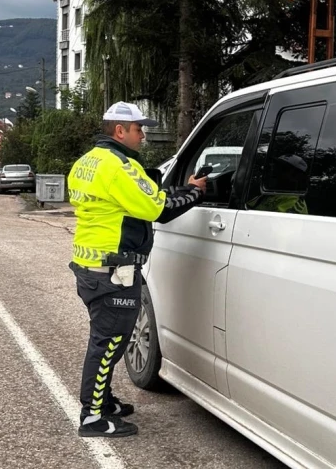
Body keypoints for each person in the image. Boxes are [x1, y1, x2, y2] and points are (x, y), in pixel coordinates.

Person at [67, 101, 207, 438]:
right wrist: (195, 192)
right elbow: (157, 207)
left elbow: (135, 200)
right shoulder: (119, 166)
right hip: (114, 270)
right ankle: (93, 416)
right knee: (109, 343)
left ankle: (104, 400)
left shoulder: (87, 162)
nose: (143, 135)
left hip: (91, 266)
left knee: (106, 339)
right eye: (138, 129)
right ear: (120, 130)